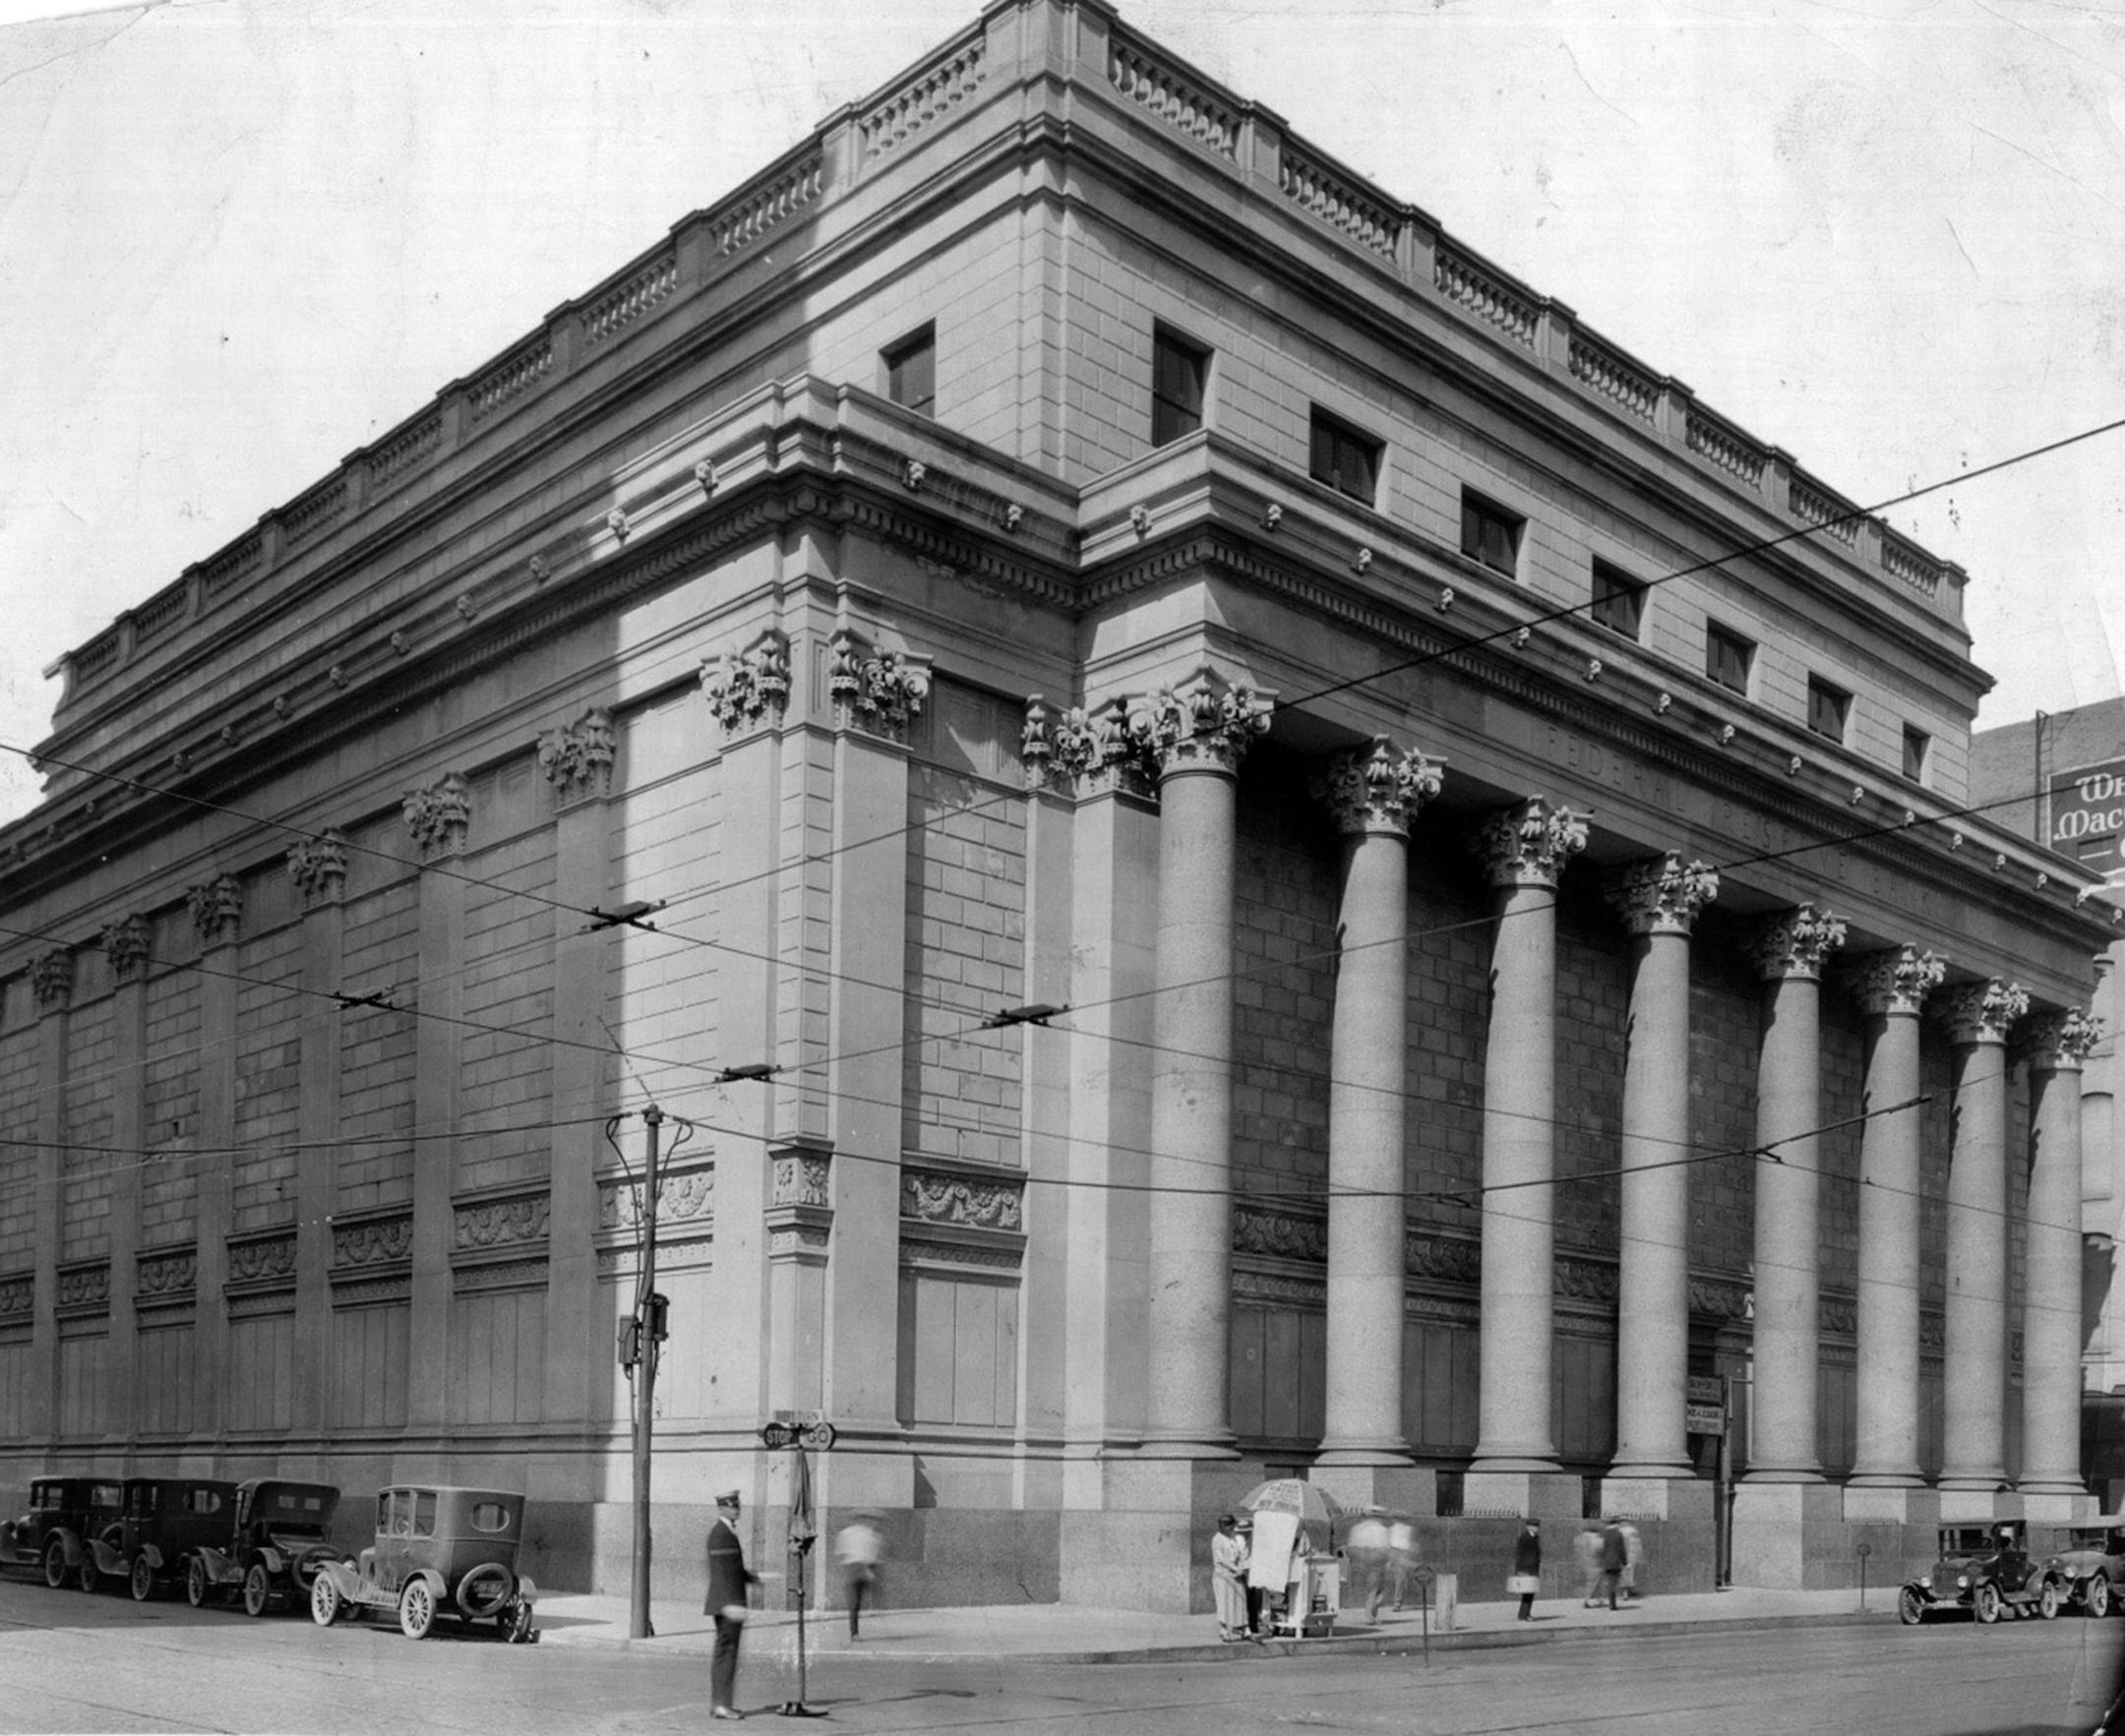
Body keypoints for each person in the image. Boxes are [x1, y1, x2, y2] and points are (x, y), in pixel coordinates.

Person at [704, 1490, 759, 1719]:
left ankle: (720, 1703)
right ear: (721, 1509)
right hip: (728, 1604)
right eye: (732, 1506)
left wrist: (754, 1578)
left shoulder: (724, 1532)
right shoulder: (721, 1534)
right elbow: (722, 1573)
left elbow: (733, 1569)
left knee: (725, 1654)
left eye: (738, 1506)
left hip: (726, 1602)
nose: (737, 1509)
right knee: (727, 1655)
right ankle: (722, 1705)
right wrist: (732, 1603)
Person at [834, 1511, 884, 1641]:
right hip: (860, 1567)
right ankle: (854, 1633)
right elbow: (872, 1555)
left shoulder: (847, 1533)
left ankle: (854, 1632)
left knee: (855, 1603)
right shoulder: (872, 1535)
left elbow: (841, 1553)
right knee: (856, 1602)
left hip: (854, 1567)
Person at [1343, 1505, 1393, 1622]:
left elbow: (1350, 1548)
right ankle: (1370, 1614)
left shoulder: (1356, 1528)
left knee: (1370, 1590)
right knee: (1376, 1589)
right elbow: (1386, 1549)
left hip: (1358, 1561)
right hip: (1376, 1560)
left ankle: (1371, 1612)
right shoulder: (1383, 1530)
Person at [1211, 1514, 1250, 1641]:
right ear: (1224, 1527)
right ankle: (1223, 1629)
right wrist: (1235, 1568)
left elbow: (1239, 1554)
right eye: (1230, 1526)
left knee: (1240, 1602)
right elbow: (1221, 1559)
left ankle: (1243, 1628)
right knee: (1224, 1603)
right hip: (1223, 1575)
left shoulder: (1232, 1538)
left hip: (1236, 1576)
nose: (1233, 1529)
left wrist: (1241, 1568)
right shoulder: (1217, 1539)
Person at [1510, 1519, 1542, 1621]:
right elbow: (1520, 1554)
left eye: (1537, 1526)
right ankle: (1524, 1614)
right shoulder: (1524, 1538)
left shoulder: (1536, 1537)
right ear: (1528, 1526)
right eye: (1534, 1526)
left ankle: (1526, 1613)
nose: (1536, 1528)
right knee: (1527, 1593)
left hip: (1533, 1568)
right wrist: (1519, 1569)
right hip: (1526, 1568)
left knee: (1531, 1592)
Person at [1386, 1514, 1419, 1612]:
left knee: (1398, 1578)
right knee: (1400, 1579)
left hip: (1395, 1552)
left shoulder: (1391, 1529)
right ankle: (1397, 1602)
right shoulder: (1409, 1529)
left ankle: (1397, 1602)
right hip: (1402, 1553)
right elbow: (1413, 1543)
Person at [1598, 1520, 1627, 1610]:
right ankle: (1612, 1604)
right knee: (1613, 1583)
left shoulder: (1604, 1534)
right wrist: (1624, 1561)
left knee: (1610, 1582)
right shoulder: (1618, 1534)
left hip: (1606, 1562)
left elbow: (1602, 1548)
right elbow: (1621, 1549)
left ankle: (1609, 1602)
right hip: (1615, 1562)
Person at [1573, 1522, 1604, 1606]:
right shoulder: (1596, 1538)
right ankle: (1585, 1600)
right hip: (1595, 1563)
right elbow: (1599, 1550)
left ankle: (1599, 1599)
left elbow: (1578, 1550)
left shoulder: (1579, 1538)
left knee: (1595, 1582)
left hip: (1585, 1562)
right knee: (1593, 1582)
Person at [1618, 1519, 1643, 1601]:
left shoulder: (1620, 1530)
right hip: (1630, 1555)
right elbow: (1636, 1545)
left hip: (1622, 1555)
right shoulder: (1633, 1531)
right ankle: (1627, 1591)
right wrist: (1639, 1556)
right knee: (1629, 1573)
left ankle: (1625, 1591)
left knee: (1624, 1573)